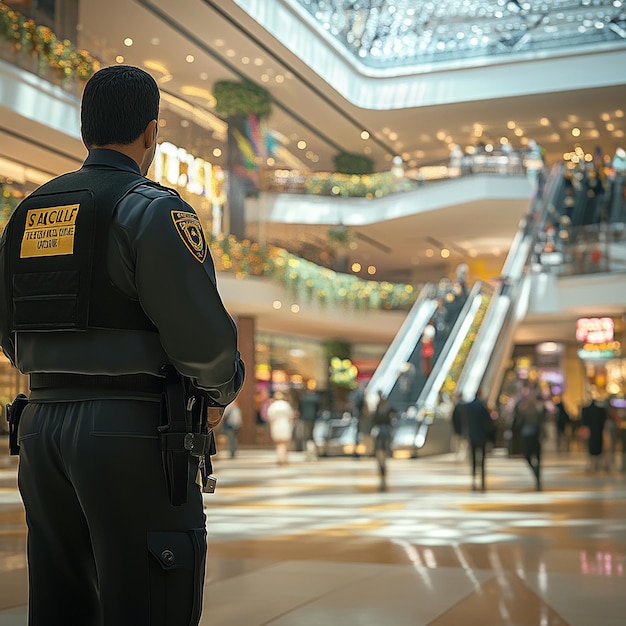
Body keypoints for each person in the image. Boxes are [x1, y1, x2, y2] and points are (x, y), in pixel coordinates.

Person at [0, 65, 245, 626]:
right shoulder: (150, 208)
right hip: (133, 431)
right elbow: (202, 338)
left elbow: (9, 327)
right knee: (149, 601)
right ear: (151, 133)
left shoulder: (28, 214)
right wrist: (220, 388)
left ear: (85, 128)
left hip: (40, 428)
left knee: (60, 601)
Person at [513, 389, 546, 490]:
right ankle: (537, 474)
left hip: (526, 435)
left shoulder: (523, 410)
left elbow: (518, 423)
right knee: (537, 457)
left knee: (527, 456)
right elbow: (541, 423)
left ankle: (535, 471)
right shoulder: (537, 410)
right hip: (536, 436)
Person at [464, 391, 494, 492]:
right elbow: (487, 422)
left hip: (472, 435)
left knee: (473, 454)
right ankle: (482, 472)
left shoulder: (468, 407)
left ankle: (473, 472)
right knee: (482, 455)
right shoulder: (482, 407)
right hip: (482, 435)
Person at [371, 391, 395, 491]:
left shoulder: (380, 407)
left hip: (381, 432)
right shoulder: (386, 407)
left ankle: (382, 464)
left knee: (381, 450)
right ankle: (382, 464)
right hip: (384, 431)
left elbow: (374, 420)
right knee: (382, 450)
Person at [267, 391, 295, 465]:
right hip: (285, 425)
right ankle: (284, 457)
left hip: (276, 426)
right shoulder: (286, 405)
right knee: (284, 443)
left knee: (279, 443)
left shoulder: (273, 406)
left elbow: (270, 417)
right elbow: (290, 416)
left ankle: (280, 457)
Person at [581, 396, 609, 472]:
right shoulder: (600, 410)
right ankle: (597, 458)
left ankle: (593, 459)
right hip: (598, 430)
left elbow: (584, 420)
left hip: (592, 430)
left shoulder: (587, 410)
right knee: (598, 444)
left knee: (592, 444)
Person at [298, 388, 321, 461]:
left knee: (306, 435)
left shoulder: (303, 398)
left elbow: (300, 408)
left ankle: (308, 452)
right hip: (313, 418)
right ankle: (312, 452)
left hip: (305, 418)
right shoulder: (315, 398)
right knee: (311, 435)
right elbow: (318, 409)